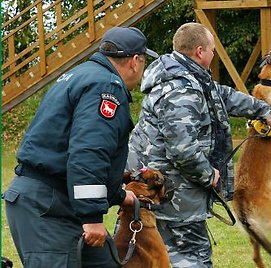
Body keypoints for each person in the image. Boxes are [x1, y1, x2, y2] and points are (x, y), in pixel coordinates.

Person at [3, 26, 158, 267]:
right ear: (135, 61)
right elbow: (88, 153)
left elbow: (68, 147)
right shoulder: (107, 87)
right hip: (47, 209)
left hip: (59, 201)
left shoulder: (81, 74)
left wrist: (119, 195)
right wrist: (92, 217)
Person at [126, 22, 271, 268]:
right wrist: (209, 175)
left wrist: (263, 109)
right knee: (191, 256)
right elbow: (182, 149)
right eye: (212, 50)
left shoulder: (191, 78)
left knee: (155, 255)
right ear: (199, 51)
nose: (213, 53)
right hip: (172, 192)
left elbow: (223, 96)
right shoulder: (181, 90)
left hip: (164, 187)